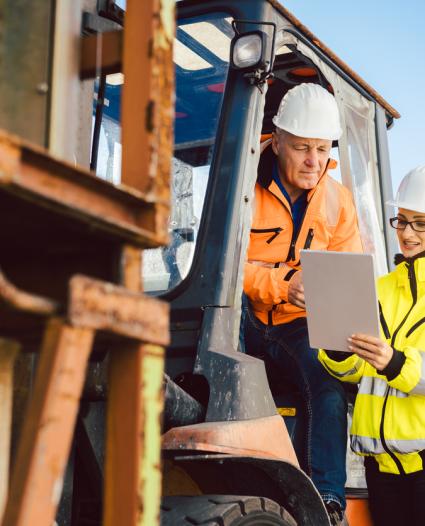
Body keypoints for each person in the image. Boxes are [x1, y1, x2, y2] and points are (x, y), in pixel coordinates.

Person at [243, 82, 362, 525]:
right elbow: (222, 266)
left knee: (328, 381)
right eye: (302, 149)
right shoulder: (240, 177)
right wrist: (280, 284)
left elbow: (347, 275)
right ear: (276, 142)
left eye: (322, 149)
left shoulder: (338, 201)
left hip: (299, 325)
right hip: (243, 316)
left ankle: (326, 503)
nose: (315, 162)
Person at [319, 166, 425, 526]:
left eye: (420, 223)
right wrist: (339, 350)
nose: (407, 233)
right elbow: (362, 369)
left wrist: (395, 363)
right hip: (380, 467)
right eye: (402, 221)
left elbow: (398, 367)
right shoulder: (378, 288)